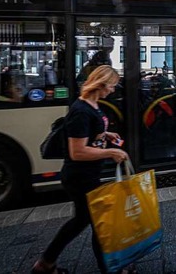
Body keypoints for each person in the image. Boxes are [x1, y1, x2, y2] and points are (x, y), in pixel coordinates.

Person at [32, 65, 129, 274]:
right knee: (98, 224)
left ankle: (45, 264)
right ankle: (111, 269)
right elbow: (78, 152)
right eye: (112, 86)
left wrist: (105, 135)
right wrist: (111, 153)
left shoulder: (91, 105)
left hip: (86, 176)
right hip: (80, 178)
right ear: (101, 84)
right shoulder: (81, 111)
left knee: (81, 221)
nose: (113, 90)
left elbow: (90, 135)